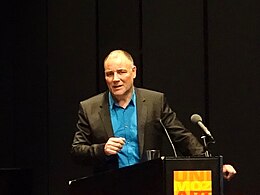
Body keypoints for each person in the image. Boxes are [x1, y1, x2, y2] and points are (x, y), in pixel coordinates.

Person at [71, 49, 236, 180]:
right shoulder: (89, 108)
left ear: (133, 72)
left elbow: (182, 137)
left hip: (149, 184)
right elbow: (77, 151)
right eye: (109, 74)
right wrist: (102, 149)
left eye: (121, 72)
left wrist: (215, 166)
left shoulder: (154, 102)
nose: (115, 79)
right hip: (110, 186)